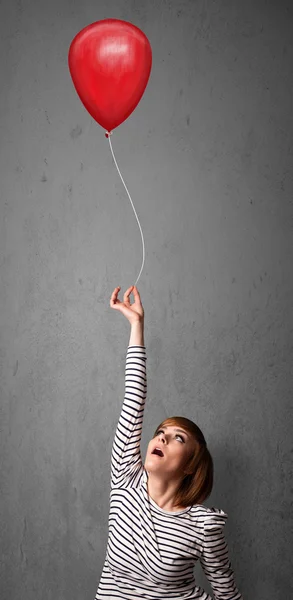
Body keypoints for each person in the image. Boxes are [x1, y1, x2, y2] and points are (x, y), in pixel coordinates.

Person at [95, 285, 243, 600]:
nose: (162, 436)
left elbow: (226, 591)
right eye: (161, 432)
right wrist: (136, 326)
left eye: (178, 438)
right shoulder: (126, 479)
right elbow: (133, 401)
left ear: (191, 464)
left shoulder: (203, 525)